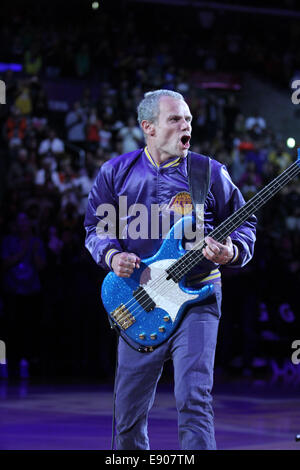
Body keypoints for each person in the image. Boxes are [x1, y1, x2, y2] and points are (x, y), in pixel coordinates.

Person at [84, 89, 256, 450]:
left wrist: (233, 250)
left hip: (198, 296)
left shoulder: (208, 172)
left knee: (194, 400)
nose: (186, 125)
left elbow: (245, 222)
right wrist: (113, 256)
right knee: (128, 414)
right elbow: (95, 230)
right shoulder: (115, 172)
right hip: (140, 298)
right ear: (148, 127)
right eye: (175, 119)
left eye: (188, 119)